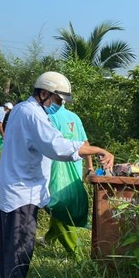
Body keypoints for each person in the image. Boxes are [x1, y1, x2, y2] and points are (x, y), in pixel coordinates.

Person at [0, 71, 114, 278]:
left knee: (10, 244)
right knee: (20, 246)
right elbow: (57, 147)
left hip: (13, 188)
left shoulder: (20, 109)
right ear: (44, 93)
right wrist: (97, 150)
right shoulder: (32, 114)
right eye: (57, 101)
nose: (58, 106)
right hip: (22, 193)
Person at [44, 103, 94, 259]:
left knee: (58, 208)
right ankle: (47, 240)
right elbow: (85, 145)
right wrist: (89, 167)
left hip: (55, 172)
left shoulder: (47, 117)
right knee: (61, 206)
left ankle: (76, 255)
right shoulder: (74, 117)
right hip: (74, 171)